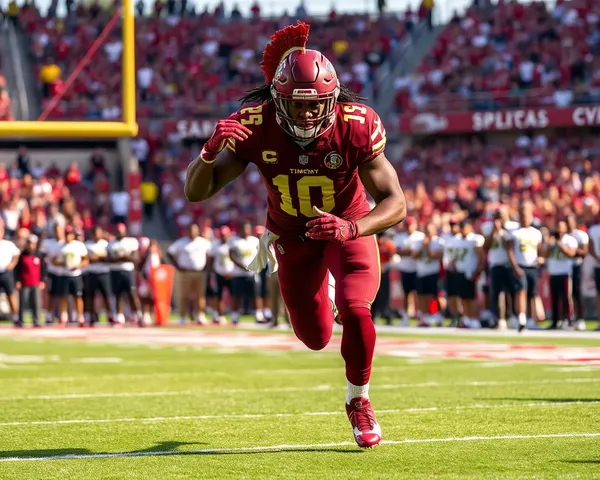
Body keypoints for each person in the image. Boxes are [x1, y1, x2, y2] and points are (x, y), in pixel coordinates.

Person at [184, 21, 406, 448]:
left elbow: (396, 202)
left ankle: (358, 401)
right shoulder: (255, 123)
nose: (307, 114)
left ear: (332, 99)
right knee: (316, 338)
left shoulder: (356, 124)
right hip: (291, 235)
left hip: (346, 228)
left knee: (357, 309)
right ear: (276, 99)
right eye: (296, 105)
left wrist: (352, 226)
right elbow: (198, 192)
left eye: (315, 105)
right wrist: (208, 153)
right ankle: (321, 284)